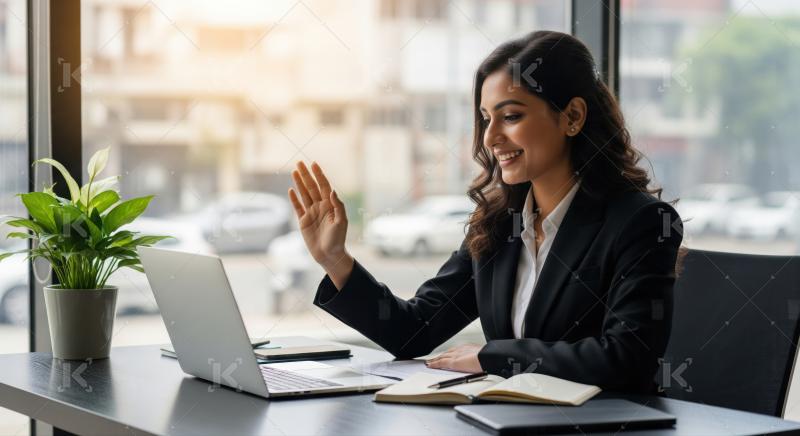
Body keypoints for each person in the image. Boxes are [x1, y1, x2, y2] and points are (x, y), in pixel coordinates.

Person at [287, 30, 683, 394]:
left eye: (511, 116)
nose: (491, 138)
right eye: (486, 118)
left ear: (572, 117)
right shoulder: (499, 224)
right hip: (512, 420)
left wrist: (492, 357)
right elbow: (415, 331)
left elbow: (628, 359)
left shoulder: (640, 223)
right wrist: (336, 260)